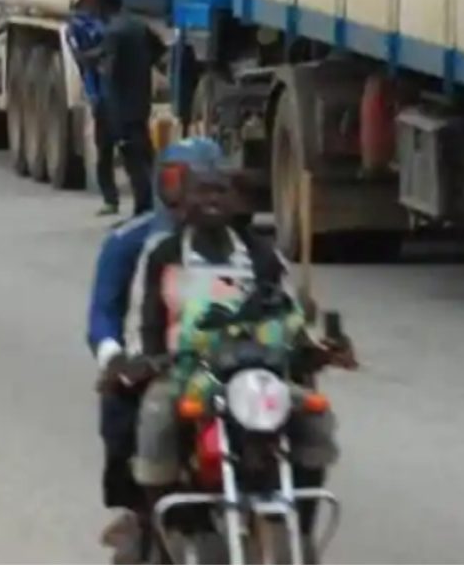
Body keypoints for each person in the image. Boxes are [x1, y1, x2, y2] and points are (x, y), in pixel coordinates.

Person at [126, 163, 342, 540]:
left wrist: (313, 346)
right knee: (156, 416)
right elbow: (145, 320)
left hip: (257, 374)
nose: (211, 200)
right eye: (202, 191)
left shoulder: (262, 255)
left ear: (236, 200)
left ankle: (300, 526)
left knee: (314, 416)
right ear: (183, 200)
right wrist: (148, 359)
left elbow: (287, 313)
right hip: (189, 371)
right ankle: (163, 531)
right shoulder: (164, 254)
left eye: (220, 192)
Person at [86, 138, 227, 556]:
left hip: (229, 366)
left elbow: (279, 301)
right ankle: (140, 506)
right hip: (162, 361)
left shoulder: (245, 247)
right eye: (181, 183)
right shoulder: (130, 244)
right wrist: (117, 358)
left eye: (209, 184)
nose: (197, 197)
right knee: (123, 406)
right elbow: (104, 313)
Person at [96, 0, 163, 216]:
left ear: (102, 4)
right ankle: (155, 207)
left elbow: (111, 76)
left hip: (122, 110)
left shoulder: (113, 32)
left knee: (133, 162)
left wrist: (113, 118)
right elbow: (159, 50)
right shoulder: (138, 25)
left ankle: (142, 210)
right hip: (141, 102)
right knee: (146, 159)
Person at [68, 0, 121, 214]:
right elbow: (83, 58)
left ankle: (118, 197)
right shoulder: (80, 25)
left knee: (126, 150)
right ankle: (110, 197)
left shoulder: (111, 24)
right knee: (106, 149)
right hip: (102, 93)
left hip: (117, 95)